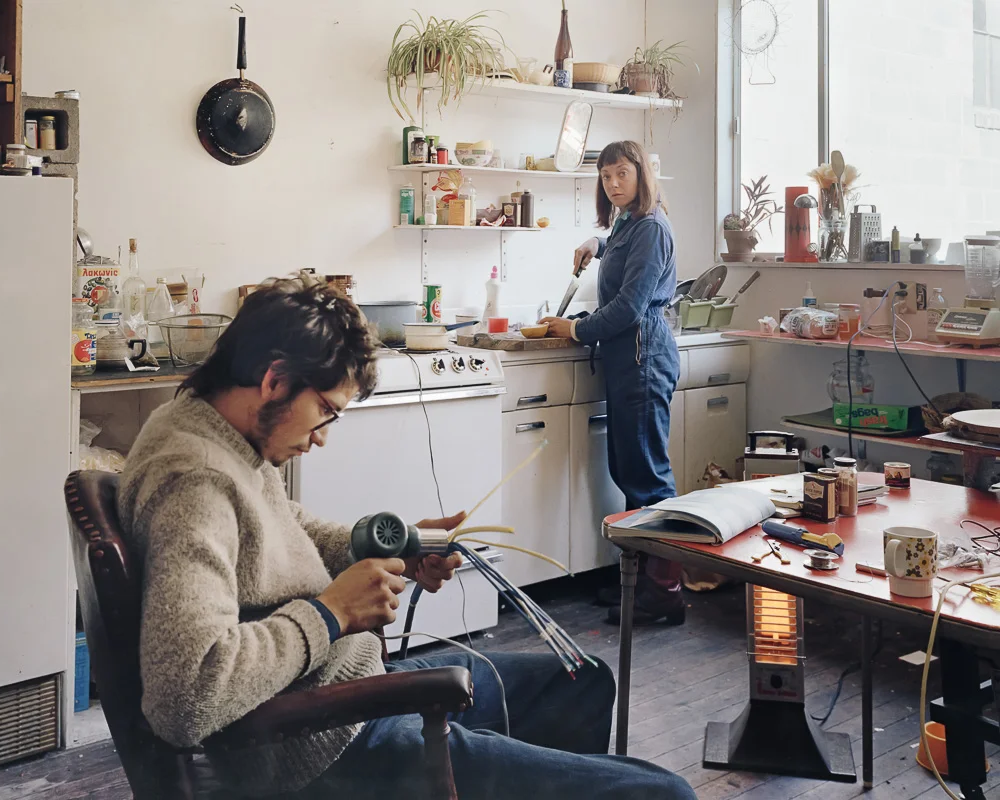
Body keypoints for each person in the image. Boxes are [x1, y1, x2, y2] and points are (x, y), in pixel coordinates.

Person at [118, 273, 696, 800]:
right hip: (329, 746)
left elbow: (283, 529)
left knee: (584, 680)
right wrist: (331, 614)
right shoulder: (194, 483)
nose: (322, 437)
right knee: (666, 795)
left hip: (351, 691)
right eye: (325, 411)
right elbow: (185, 697)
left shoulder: (215, 424)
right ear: (274, 380)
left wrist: (399, 543)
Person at [540, 140, 685, 627]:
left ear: (642, 174)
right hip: (629, 362)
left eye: (622, 174)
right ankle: (637, 583)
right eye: (606, 177)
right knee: (630, 473)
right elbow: (618, 249)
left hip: (644, 359)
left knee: (649, 478)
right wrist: (594, 244)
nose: (614, 184)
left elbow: (628, 307)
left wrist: (577, 328)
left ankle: (664, 591)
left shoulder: (652, 228)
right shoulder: (628, 224)